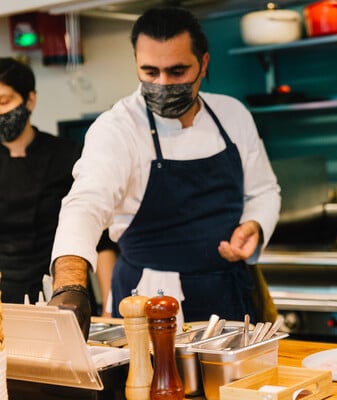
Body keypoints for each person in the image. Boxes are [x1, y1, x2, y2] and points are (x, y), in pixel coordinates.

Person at [49, 7, 281, 338]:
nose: (163, 84)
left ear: (203, 63)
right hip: (149, 299)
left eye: (177, 71)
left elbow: (264, 190)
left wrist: (254, 225)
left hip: (228, 292)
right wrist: (70, 282)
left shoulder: (233, 115)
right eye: (150, 72)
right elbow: (85, 204)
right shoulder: (118, 128)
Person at [0, 57, 82, 304]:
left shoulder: (66, 155)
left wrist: (110, 304)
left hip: (56, 291)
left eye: (4, 101)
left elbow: (99, 240)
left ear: (30, 99)